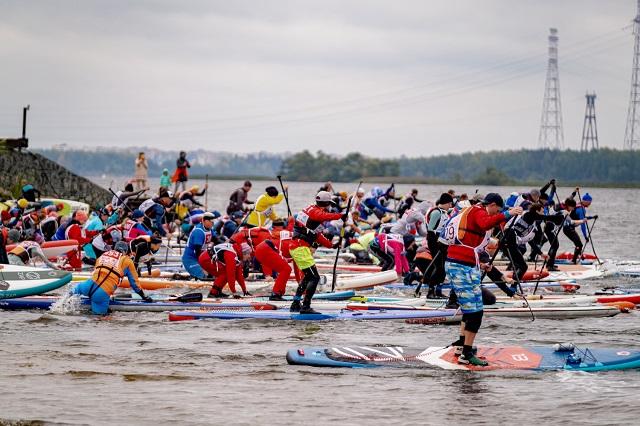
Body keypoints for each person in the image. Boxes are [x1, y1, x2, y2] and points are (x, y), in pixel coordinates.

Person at [441, 193, 522, 366]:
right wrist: (509, 213)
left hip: (464, 264)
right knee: (475, 313)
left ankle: (462, 346)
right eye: (497, 210)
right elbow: (486, 223)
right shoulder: (478, 211)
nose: (496, 214)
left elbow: (471, 243)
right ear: (491, 205)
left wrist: (481, 265)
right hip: (459, 266)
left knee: (471, 308)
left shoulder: (473, 211)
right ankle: (466, 354)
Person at [288, 191, 345, 314]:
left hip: (299, 248)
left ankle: (296, 303)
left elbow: (317, 235)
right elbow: (322, 216)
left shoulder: (313, 214)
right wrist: (339, 216)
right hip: (299, 248)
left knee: (308, 277)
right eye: (329, 204)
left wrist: (331, 245)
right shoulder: (314, 211)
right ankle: (306, 307)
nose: (329, 207)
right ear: (326, 203)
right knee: (314, 278)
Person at [70, 241, 151, 315]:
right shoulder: (127, 261)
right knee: (100, 320)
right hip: (102, 292)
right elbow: (134, 283)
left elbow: (96, 268)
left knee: (67, 298)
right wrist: (144, 296)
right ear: (125, 251)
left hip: (87, 285)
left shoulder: (104, 254)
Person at [419, 193, 453, 298]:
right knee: (438, 267)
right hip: (434, 242)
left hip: (443, 243)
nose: (451, 206)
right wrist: (437, 242)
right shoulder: (436, 213)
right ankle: (430, 291)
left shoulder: (445, 213)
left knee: (443, 268)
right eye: (450, 204)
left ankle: (438, 291)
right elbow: (430, 229)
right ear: (447, 203)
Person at [182, 212, 217, 279]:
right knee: (204, 276)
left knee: (214, 273)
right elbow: (197, 251)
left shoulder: (210, 229)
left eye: (213, 221)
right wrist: (203, 267)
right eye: (211, 221)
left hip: (201, 257)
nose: (213, 223)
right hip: (190, 259)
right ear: (204, 221)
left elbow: (216, 239)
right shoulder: (199, 232)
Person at [562, 198, 595, 264]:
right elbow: (583, 224)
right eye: (589, 202)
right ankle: (574, 261)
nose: (590, 204)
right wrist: (585, 236)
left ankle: (580, 257)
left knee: (578, 244)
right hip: (568, 229)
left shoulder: (578, 206)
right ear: (585, 201)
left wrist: (592, 217)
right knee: (579, 245)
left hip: (568, 228)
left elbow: (582, 218)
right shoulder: (581, 209)